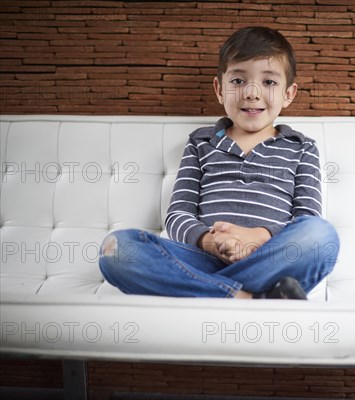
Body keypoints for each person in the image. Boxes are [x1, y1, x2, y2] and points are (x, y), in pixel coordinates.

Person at [98, 26, 339, 300]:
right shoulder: (201, 142)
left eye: (269, 82)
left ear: (289, 93)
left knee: (321, 236)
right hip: (202, 258)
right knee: (117, 248)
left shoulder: (301, 147)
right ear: (219, 89)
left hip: (267, 260)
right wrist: (212, 242)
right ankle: (247, 298)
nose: (251, 92)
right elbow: (178, 215)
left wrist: (254, 238)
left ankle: (210, 291)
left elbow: (305, 217)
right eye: (238, 81)